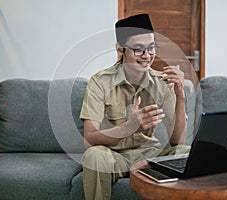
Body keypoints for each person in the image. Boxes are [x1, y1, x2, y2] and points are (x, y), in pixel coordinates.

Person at [80, 13, 190, 200]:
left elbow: (177, 143)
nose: (147, 56)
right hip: (114, 156)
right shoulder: (100, 82)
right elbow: (89, 139)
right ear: (120, 50)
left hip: (149, 157)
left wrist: (181, 96)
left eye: (152, 47)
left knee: (185, 153)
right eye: (138, 49)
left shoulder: (162, 83)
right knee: (94, 156)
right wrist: (128, 128)